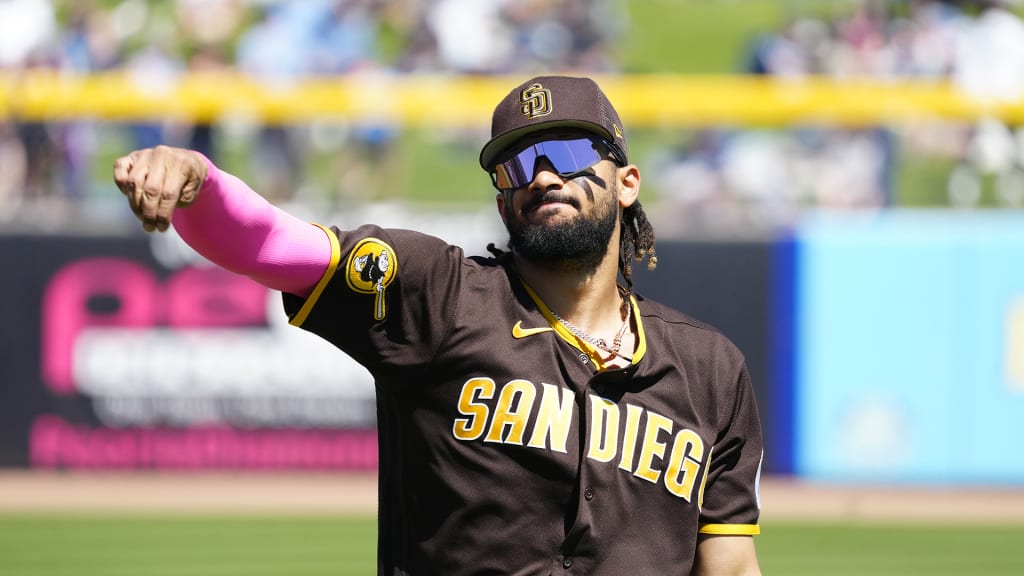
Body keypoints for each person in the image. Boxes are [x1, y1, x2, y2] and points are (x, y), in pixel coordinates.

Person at [113, 75, 764, 576]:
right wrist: (199, 182)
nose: (540, 176)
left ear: (626, 182)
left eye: (566, 153)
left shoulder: (710, 370)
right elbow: (276, 247)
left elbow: (730, 565)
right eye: (513, 165)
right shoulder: (442, 296)